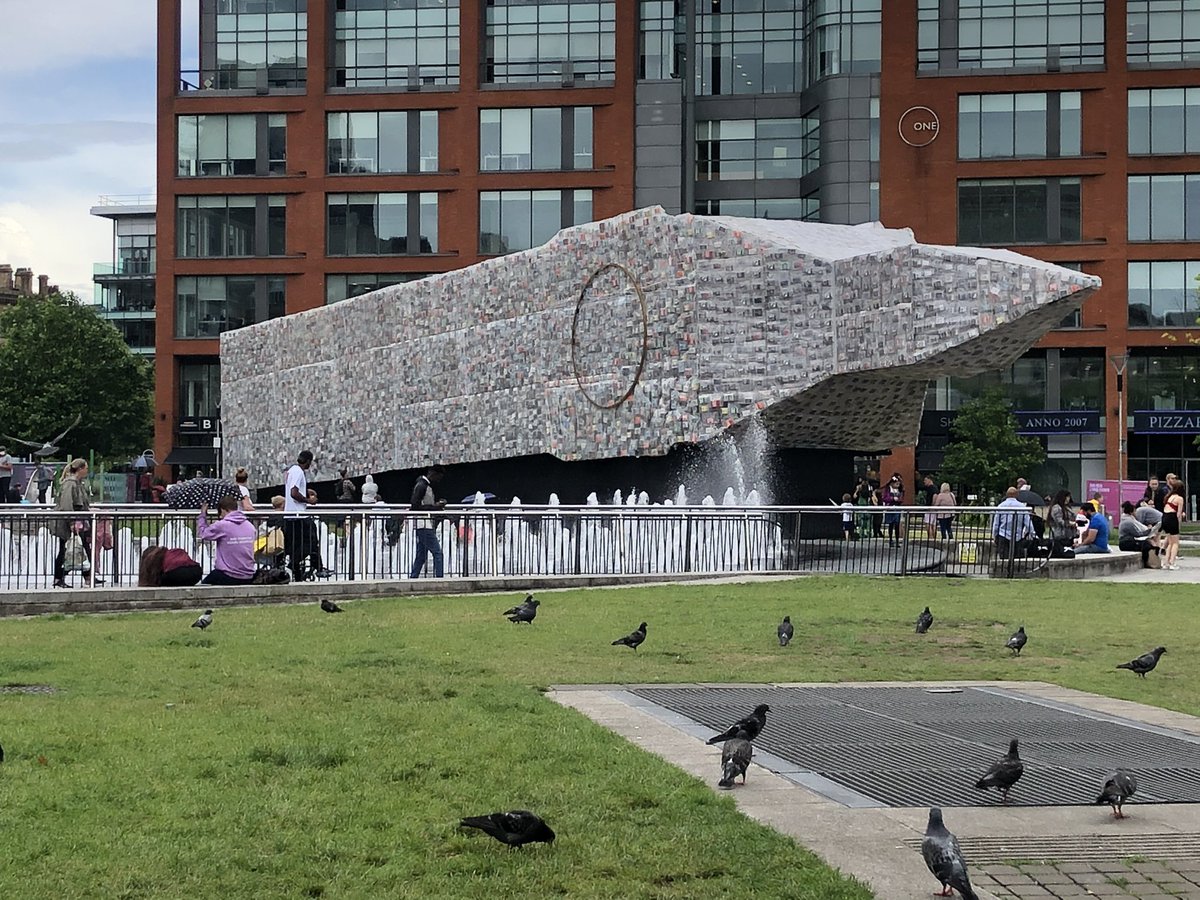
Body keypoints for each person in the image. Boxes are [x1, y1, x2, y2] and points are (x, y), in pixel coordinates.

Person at [283, 450, 332, 581]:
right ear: (309, 461)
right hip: (299, 516)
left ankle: (312, 568)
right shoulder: (299, 472)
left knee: (298, 545)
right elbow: (294, 493)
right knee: (311, 542)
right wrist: (308, 500)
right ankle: (297, 565)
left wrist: (305, 491)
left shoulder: (291, 470)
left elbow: (292, 490)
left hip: (290, 515)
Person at [197, 494, 257, 585]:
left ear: (222, 510)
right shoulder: (250, 526)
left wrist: (202, 515)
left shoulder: (222, 525)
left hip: (229, 575)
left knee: (203, 586)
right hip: (248, 575)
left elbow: (203, 533)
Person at [52, 459, 92, 588]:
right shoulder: (71, 483)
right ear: (80, 469)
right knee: (66, 550)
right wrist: (71, 521)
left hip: (76, 520)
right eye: (86, 468)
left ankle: (88, 576)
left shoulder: (76, 483)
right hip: (69, 522)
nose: (87, 470)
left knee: (81, 547)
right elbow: (67, 504)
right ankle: (59, 577)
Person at [410, 464, 447, 579]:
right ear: (433, 474)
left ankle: (413, 578)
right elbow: (415, 506)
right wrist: (435, 507)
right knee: (437, 553)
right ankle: (440, 580)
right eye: (438, 477)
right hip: (424, 524)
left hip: (423, 524)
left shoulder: (422, 485)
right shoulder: (422, 486)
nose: (438, 480)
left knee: (421, 556)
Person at [992, 486, 1034, 558]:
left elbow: (996, 523)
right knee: (1017, 562)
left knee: (1003, 561)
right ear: (1017, 495)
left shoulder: (1001, 506)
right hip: (1018, 537)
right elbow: (1028, 523)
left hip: (1003, 536)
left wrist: (995, 535)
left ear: (1006, 495)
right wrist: (1032, 534)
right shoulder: (1022, 507)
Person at [1118, 501, 1159, 568]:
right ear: (1131, 512)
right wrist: (1149, 530)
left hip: (1128, 541)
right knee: (1145, 545)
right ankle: (1147, 562)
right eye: (1135, 511)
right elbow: (1138, 534)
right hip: (1126, 543)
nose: (1136, 513)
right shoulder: (1128, 522)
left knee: (1146, 543)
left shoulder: (1128, 519)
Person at [137, 546, 202, 587]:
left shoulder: (155, 557)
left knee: (160, 580)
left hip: (178, 573)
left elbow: (156, 577)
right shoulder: (169, 553)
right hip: (197, 572)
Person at [1162, 477, 1185, 570]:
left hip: (1165, 517)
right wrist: (1179, 522)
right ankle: (1172, 563)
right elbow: (1178, 514)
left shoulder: (1169, 497)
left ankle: (1165, 562)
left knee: (1170, 543)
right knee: (1175, 543)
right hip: (1172, 518)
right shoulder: (1179, 498)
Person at [1045, 489, 1076, 557]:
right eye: (1067, 497)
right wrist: (1069, 523)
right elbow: (1059, 521)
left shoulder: (1067, 507)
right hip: (1059, 534)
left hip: (1067, 534)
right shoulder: (1057, 508)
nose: (1068, 499)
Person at [882, 473, 904, 546]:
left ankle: (897, 540)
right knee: (890, 525)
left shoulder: (900, 491)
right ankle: (891, 539)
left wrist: (898, 500)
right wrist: (892, 499)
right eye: (896, 484)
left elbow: (901, 498)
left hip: (897, 508)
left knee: (897, 524)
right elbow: (884, 498)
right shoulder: (888, 490)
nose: (897, 485)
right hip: (890, 508)